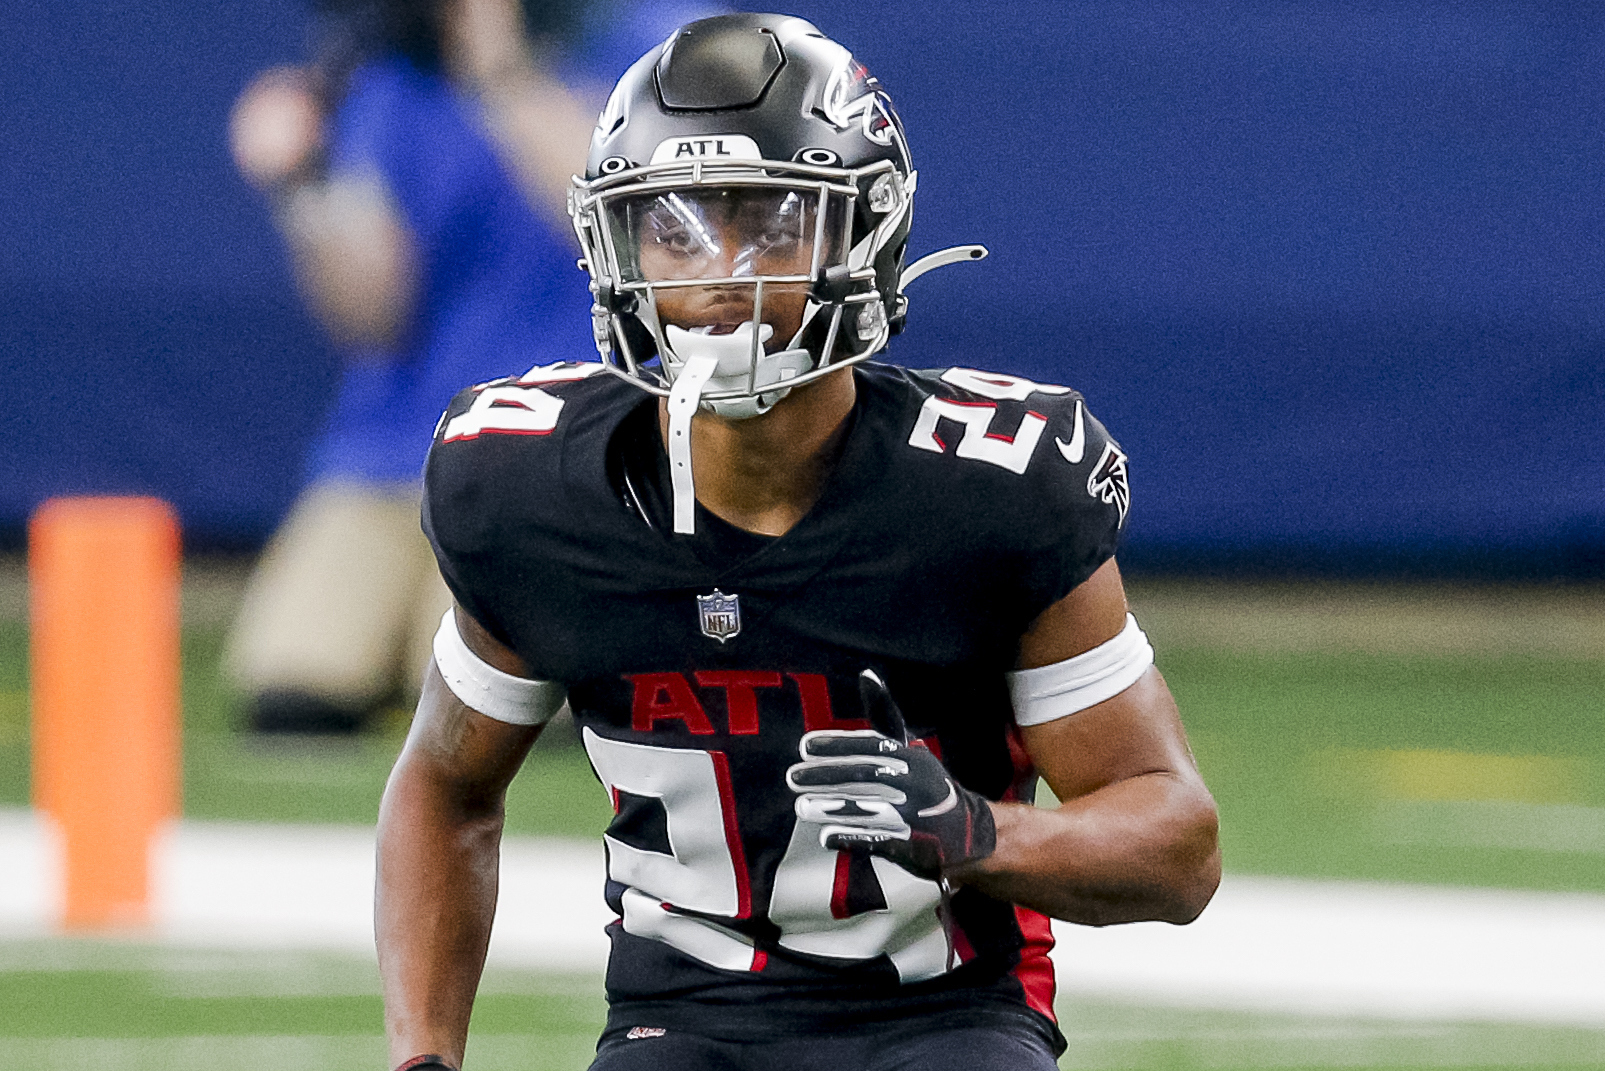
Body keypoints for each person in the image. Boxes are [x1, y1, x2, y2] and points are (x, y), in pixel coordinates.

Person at [377, 13, 1221, 1071]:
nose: (721, 272)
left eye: (772, 224)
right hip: (674, 1026)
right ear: (614, 243)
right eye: (675, 230)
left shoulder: (990, 491)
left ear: (864, 235)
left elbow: (1178, 845)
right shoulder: (531, 490)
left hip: (944, 1019)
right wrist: (421, 1059)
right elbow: (446, 787)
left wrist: (979, 833)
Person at [223, 0, 607, 732]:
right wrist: (303, 183)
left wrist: (500, 71)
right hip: (391, 451)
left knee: (499, 706)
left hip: (557, 448)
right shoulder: (387, 85)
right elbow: (372, 314)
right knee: (293, 697)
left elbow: (604, 215)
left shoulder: (641, 40)